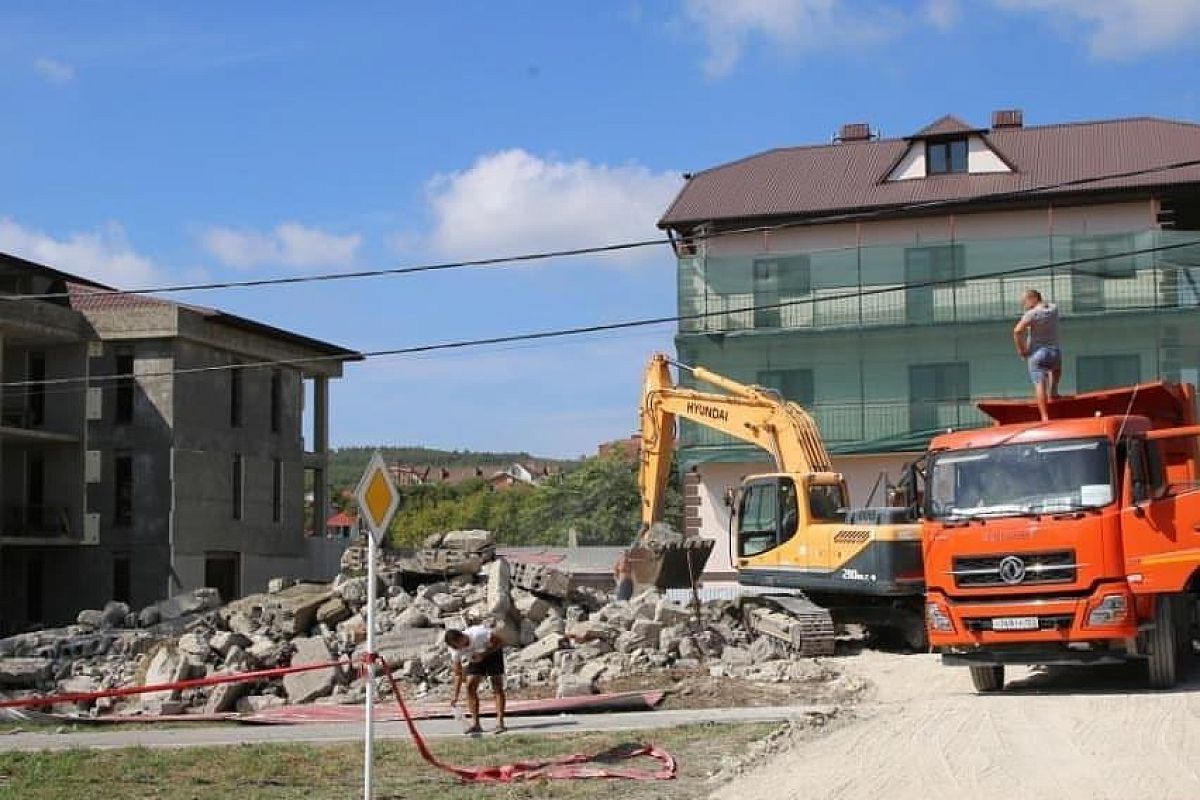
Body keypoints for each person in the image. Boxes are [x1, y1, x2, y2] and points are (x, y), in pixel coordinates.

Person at [445, 624, 507, 735]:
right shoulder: (455, 650)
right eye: (455, 647)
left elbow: (500, 642)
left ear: (462, 637)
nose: (459, 649)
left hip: (492, 651)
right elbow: (458, 674)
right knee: (470, 686)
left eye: (459, 645)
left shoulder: (479, 634)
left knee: (496, 685)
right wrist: (455, 696)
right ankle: (476, 724)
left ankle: (500, 722)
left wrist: (483, 654)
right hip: (475, 658)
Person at [1012, 288, 1061, 422]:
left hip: (1037, 353)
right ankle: (1054, 392)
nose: (1024, 305)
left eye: (1024, 302)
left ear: (1032, 298)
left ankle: (1044, 416)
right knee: (1055, 369)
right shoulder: (1053, 308)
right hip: (1054, 351)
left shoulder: (1031, 314)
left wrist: (1021, 350)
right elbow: (1046, 305)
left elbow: (1017, 331)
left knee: (1039, 384)